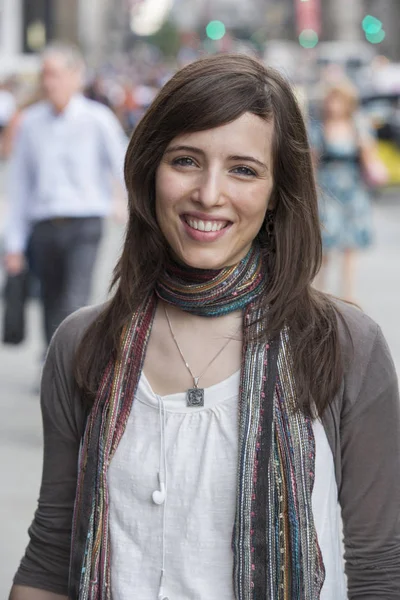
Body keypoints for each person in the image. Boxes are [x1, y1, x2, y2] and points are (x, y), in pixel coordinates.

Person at [9, 54, 400, 600]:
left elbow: (379, 567)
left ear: (275, 192)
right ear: (150, 170)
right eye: (186, 160)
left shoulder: (342, 345)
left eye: (243, 169)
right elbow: (52, 553)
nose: (209, 194)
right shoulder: (84, 344)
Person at [3, 43, 127, 347]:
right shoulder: (30, 123)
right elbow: (20, 186)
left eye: (56, 74)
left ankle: (72, 366)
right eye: (45, 74)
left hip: (85, 223)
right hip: (43, 226)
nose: (49, 82)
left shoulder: (98, 119)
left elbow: (124, 167)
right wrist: (14, 245)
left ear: (76, 76)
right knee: (49, 298)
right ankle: (52, 362)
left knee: (74, 300)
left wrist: (138, 212)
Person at [310, 79, 387, 300]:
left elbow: (370, 158)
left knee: (350, 246)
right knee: (325, 244)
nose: (334, 105)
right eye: (331, 99)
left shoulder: (358, 125)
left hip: (353, 190)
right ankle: (320, 294)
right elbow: (312, 162)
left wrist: (363, 146)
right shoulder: (318, 127)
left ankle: (348, 296)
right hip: (327, 190)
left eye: (339, 100)